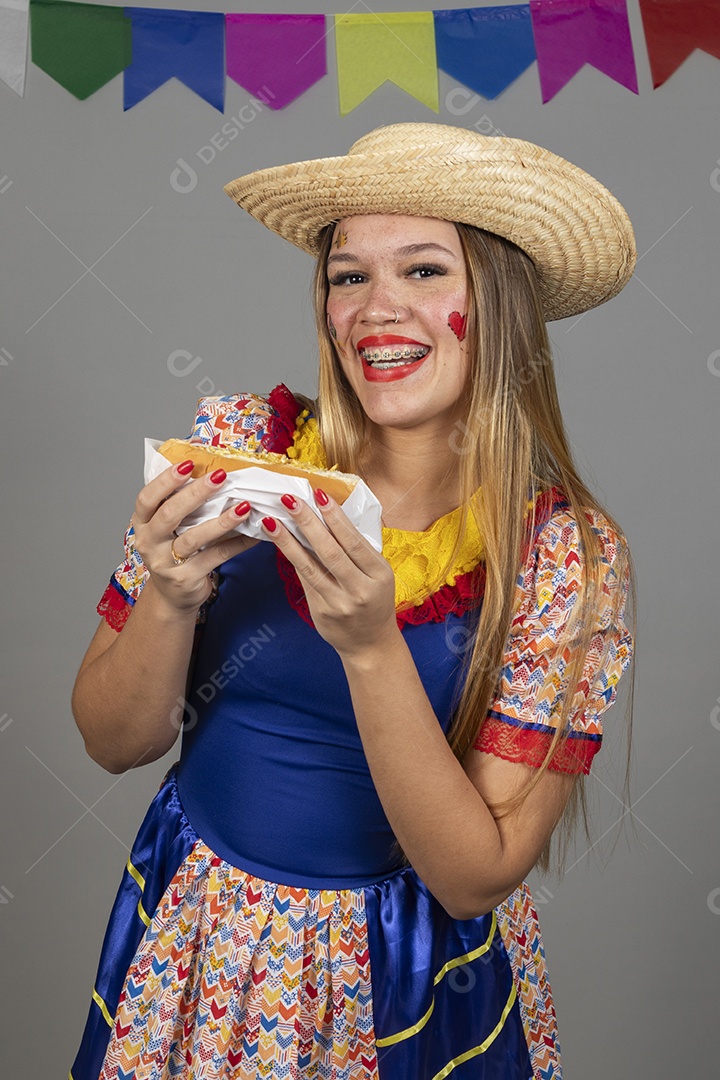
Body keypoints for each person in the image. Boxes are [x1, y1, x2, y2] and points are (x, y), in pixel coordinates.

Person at [70, 122, 636, 1080]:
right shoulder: (240, 449)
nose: (376, 309)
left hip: (411, 980)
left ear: (500, 305)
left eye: (424, 270)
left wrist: (372, 649)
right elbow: (112, 741)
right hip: (198, 936)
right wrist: (168, 594)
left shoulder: (562, 556)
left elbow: (474, 877)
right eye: (347, 276)